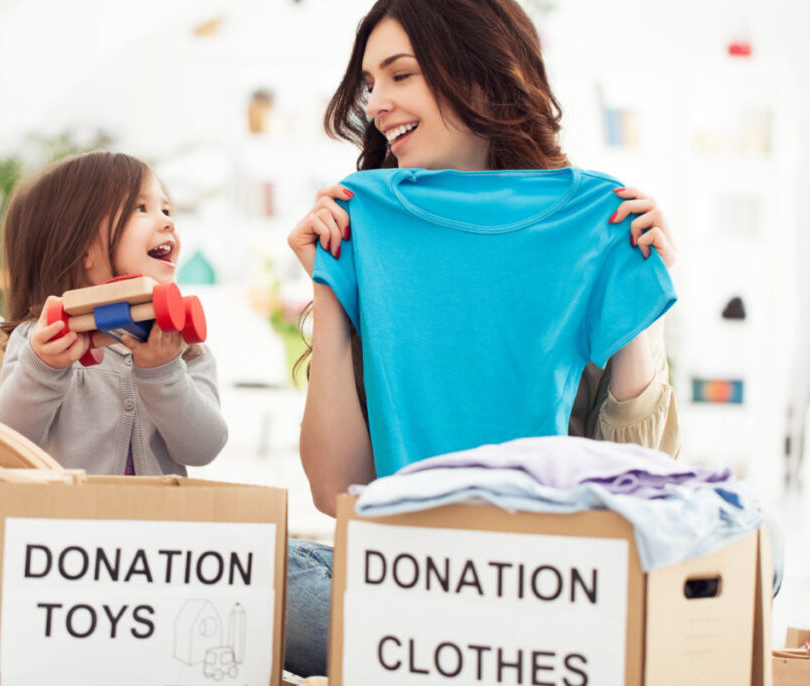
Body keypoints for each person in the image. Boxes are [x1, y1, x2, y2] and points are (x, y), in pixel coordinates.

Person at [283, 0, 679, 677]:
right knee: (271, 580)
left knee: (764, 553)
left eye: (400, 75)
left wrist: (636, 303)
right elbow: (336, 488)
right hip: (409, 572)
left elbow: (645, 491)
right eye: (370, 83)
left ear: (480, 73)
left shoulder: (593, 218)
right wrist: (330, 292)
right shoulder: (365, 222)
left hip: (546, 572)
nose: (377, 102)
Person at [0, 151, 228, 476]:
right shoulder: (41, 343)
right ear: (81, 246)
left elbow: (203, 449)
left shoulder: (182, 347)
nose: (168, 221)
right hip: (67, 523)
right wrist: (42, 371)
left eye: (166, 209)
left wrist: (165, 372)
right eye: (141, 208)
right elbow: (5, 446)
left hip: (155, 525)